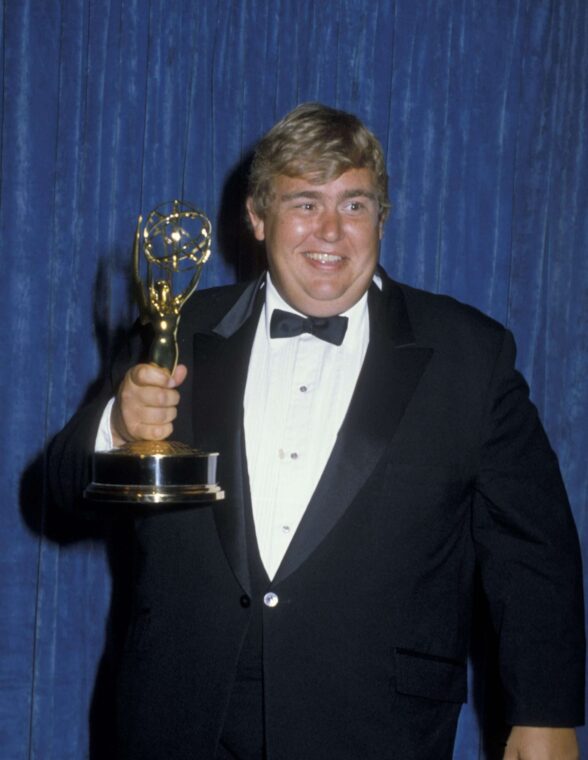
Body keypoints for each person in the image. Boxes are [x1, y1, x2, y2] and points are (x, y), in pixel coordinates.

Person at [49, 103, 585, 760]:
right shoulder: (179, 332)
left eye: (354, 206)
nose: (331, 231)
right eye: (305, 203)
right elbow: (52, 494)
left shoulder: (471, 355)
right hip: (178, 723)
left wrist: (546, 714)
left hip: (374, 731)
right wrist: (115, 427)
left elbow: (532, 554)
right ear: (256, 217)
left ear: (382, 218)